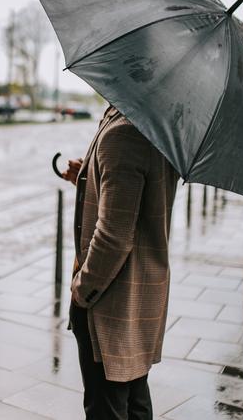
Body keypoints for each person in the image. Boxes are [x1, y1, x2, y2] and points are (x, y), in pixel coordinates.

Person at [62, 104, 179, 420]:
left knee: (107, 406)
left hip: (111, 298)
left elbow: (114, 236)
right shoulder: (159, 126)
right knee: (134, 400)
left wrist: (83, 291)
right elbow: (135, 204)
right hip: (142, 292)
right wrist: (87, 178)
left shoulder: (124, 133)